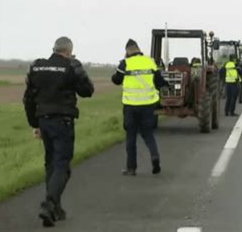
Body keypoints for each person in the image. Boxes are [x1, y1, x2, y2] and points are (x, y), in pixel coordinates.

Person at [23, 37, 94, 227]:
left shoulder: (36, 66)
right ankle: (49, 203)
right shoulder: (71, 66)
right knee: (63, 165)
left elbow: (28, 98)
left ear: (54, 49)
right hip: (63, 121)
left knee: (51, 163)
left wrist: (34, 124)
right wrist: (76, 67)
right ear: (69, 51)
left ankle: (56, 208)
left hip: (43, 120)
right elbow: (87, 90)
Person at [111, 39, 168, 176]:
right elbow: (159, 81)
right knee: (148, 134)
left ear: (127, 51)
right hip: (148, 105)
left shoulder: (125, 63)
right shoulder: (150, 61)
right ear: (138, 49)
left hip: (131, 106)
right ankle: (155, 157)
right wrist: (166, 86)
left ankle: (131, 168)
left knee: (131, 137)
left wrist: (118, 73)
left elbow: (116, 80)